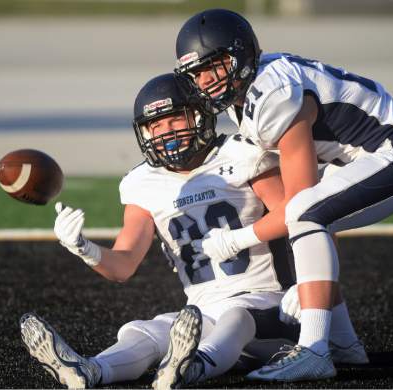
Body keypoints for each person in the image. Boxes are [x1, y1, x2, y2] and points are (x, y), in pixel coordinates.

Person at [174, 8, 393, 382]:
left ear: (240, 57)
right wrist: (308, 277)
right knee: (311, 218)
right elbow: (315, 214)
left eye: (216, 65)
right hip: (379, 151)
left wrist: (237, 241)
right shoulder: (252, 94)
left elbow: (299, 203)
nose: (207, 81)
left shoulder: (272, 92)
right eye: (197, 73)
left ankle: (314, 349)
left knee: (305, 213)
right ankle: (342, 344)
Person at [20, 73, 308, 389]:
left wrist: (306, 283)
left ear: (199, 116)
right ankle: (90, 370)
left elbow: (296, 213)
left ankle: (192, 367)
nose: (164, 133)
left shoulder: (243, 155)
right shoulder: (142, 182)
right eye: (154, 126)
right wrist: (84, 248)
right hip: (202, 313)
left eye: (173, 121)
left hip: (272, 307)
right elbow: (123, 264)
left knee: (237, 318)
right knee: (146, 331)